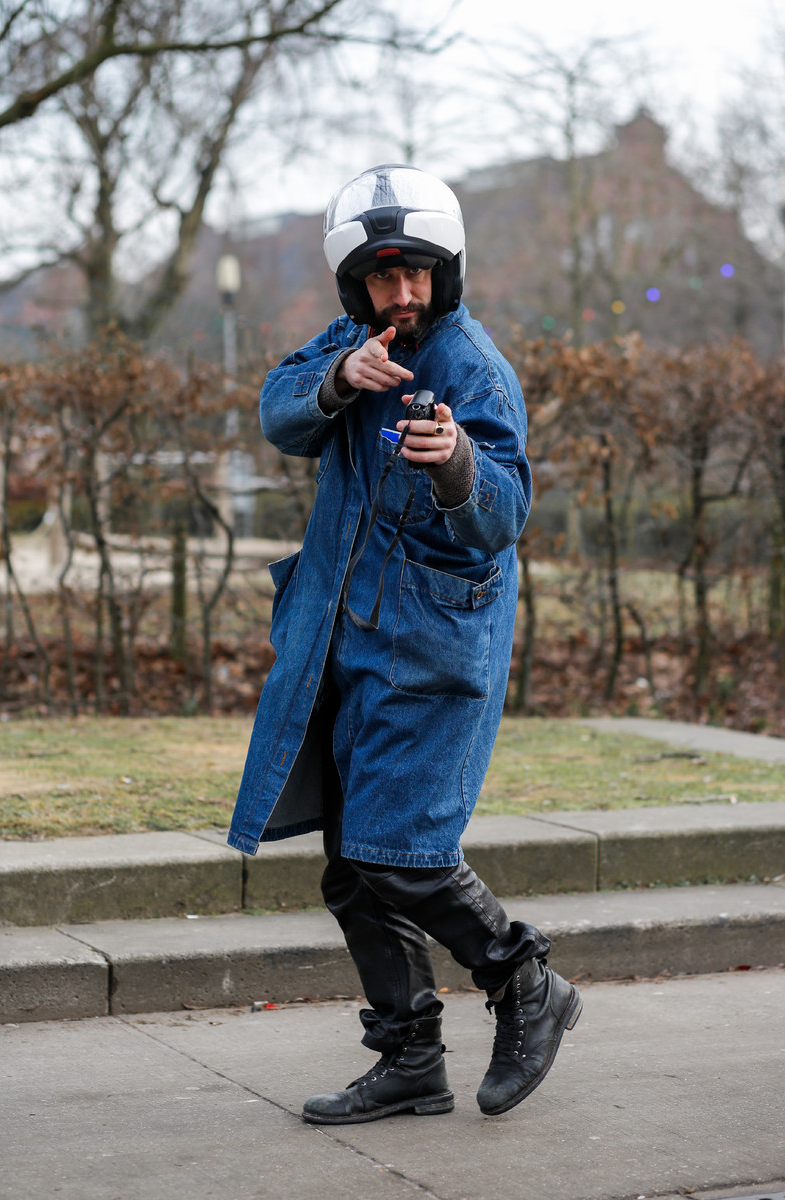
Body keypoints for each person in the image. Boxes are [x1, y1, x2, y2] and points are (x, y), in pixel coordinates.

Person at [227, 164, 581, 1123]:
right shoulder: (353, 344)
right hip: (342, 645)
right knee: (354, 873)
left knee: (400, 853)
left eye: (417, 273)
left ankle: (526, 982)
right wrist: (338, 379)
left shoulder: (473, 369)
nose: (403, 294)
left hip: (432, 653)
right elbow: (276, 411)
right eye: (383, 278)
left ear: (446, 270)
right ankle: (411, 1061)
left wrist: (459, 463)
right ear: (357, 286)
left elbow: (504, 515)